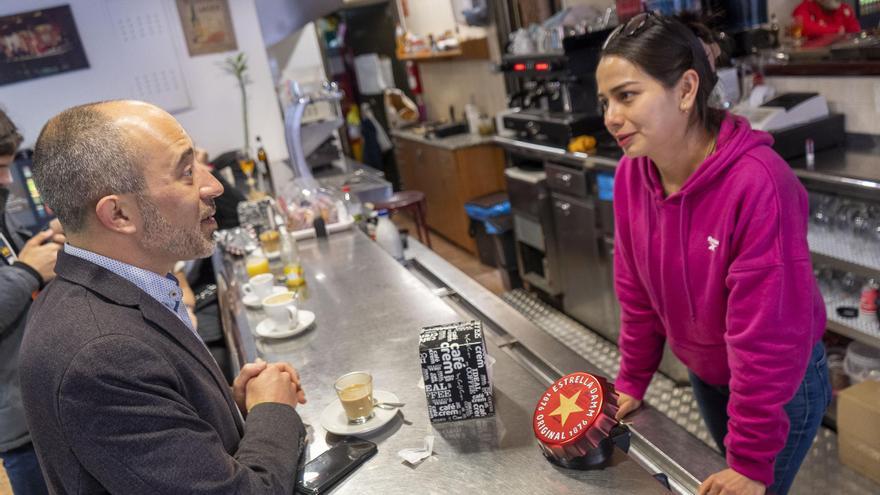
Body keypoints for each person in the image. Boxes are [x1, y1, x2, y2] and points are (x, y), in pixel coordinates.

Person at [19, 100, 308, 493]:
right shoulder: (101, 354)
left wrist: (226, 404)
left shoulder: (107, 291)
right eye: (187, 173)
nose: (214, 186)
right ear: (119, 215)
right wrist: (272, 410)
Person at [597, 14, 829, 495]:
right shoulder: (631, 176)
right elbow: (635, 291)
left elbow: (766, 335)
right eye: (605, 102)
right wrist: (633, 380)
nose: (610, 118)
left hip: (779, 386)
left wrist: (748, 460)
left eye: (626, 95)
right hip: (710, 376)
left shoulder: (758, 183)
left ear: (685, 90)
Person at [0, 108, 61, 495]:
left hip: (41, 396)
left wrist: (46, 239)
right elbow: (20, 271)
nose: (7, 179)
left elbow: (13, 253)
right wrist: (28, 272)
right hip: (18, 423)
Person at [793, 0, 860, 39]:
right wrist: (836, 30)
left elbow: (855, 34)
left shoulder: (845, 9)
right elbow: (805, 28)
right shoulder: (805, 7)